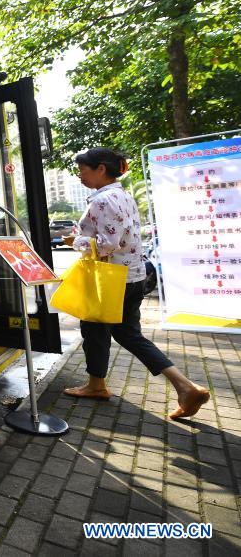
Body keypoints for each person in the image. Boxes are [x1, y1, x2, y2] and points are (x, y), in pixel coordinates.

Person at [62, 147, 209, 419]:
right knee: (129, 334)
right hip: (133, 277)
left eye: (83, 171)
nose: (80, 176)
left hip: (110, 280)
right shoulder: (124, 196)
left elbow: (107, 244)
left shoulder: (102, 201)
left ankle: (96, 386)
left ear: (101, 169)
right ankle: (185, 387)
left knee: (94, 331)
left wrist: (76, 242)